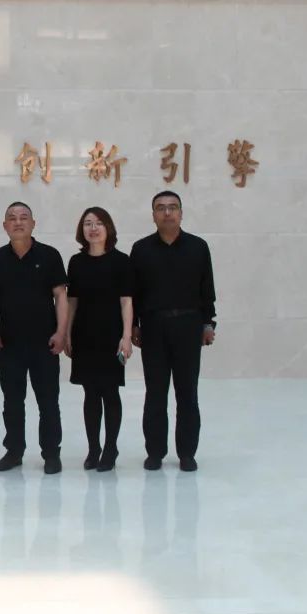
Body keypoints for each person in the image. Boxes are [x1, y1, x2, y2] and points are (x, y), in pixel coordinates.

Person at [130, 191, 217, 472]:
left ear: (181, 213)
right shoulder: (141, 249)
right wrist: (133, 325)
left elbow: (207, 289)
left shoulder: (198, 247)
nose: (167, 213)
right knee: (155, 393)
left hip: (188, 327)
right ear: (153, 215)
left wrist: (208, 323)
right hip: (153, 328)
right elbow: (134, 292)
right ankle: (155, 452)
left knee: (187, 393)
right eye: (161, 208)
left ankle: (187, 453)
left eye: (172, 207)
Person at [0, 202, 68, 475]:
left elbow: (60, 296)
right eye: (12, 218)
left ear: (33, 224)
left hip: (45, 343)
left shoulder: (49, 255)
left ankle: (51, 453)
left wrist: (61, 332)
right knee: (12, 402)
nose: (18, 222)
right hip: (10, 344)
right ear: (5, 226)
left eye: (24, 218)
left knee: (48, 402)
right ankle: (14, 451)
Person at [65, 207, 134, 473]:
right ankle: (94, 448)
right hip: (84, 334)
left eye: (99, 223)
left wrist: (126, 336)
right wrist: (67, 332)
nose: (93, 228)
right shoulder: (76, 262)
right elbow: (72, 301)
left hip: (111, 335)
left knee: (110, 391)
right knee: (90, 392)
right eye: (88, 223)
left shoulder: (121, 261)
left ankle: (111, 447)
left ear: (108, 228)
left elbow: (126, 301)